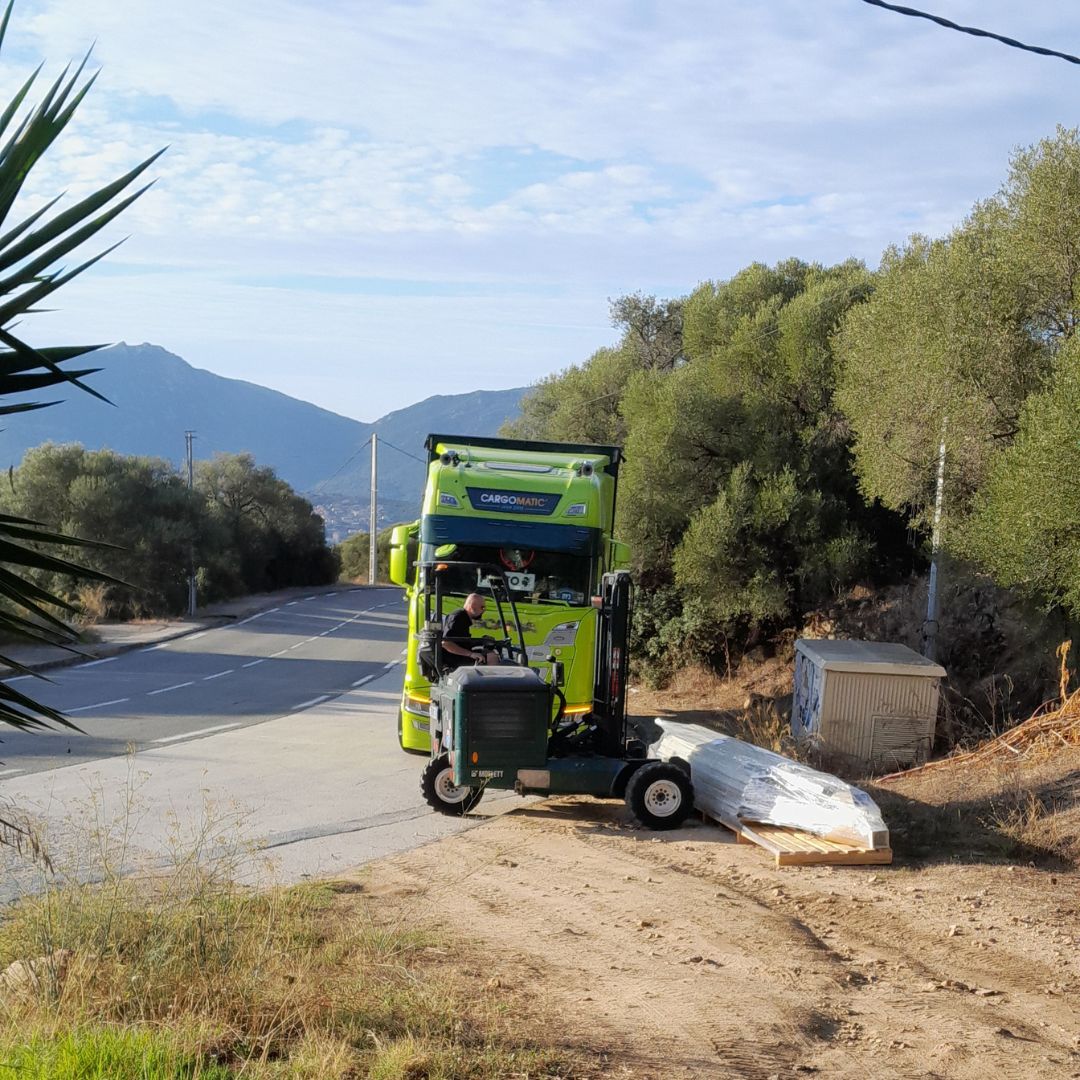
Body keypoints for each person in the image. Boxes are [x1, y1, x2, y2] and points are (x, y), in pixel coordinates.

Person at [440, 593, 499, 670]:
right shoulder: (459, 618)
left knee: (488, 652)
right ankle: (491, 681)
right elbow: (446, 643)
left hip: (458, 656)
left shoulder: (463, 617)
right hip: (453, 659)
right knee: (491, 656)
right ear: (472, 607)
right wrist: (471, 654)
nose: (484, 610)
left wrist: (482, 641)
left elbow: (461, 641)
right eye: (482, 607)